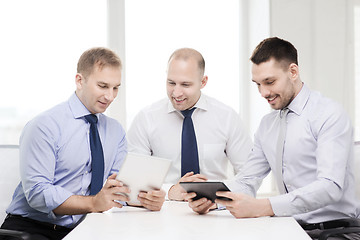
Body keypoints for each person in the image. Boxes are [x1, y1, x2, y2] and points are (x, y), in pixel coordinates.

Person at [185, 37, 360, 239]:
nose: (263, 92)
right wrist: (212, 199)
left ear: (293, 72)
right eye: (258, 84)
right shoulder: (268, 125)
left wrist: (265, 206)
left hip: (337, 231)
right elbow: (248, 180)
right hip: (289, 228)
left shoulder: (329, 114)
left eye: (270, 82)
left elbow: (330, 187)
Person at [0, 47, 165, 240]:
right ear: (80, 80)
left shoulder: (115, 131)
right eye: (103, 86)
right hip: (32, 229)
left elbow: (118, 188)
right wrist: (94, 203)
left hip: (85, 228)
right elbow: (37, 194)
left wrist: (145, 199)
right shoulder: (45, 125)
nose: (110, 96)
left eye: (115, 87)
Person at [127, 48, 252, 201]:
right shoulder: (146, 119)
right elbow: (134, 182)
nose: (176, 93)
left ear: (203, 82)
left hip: (216, 213)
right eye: (171, 83)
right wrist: (170, 191)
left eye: (185, 85)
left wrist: (218, 199)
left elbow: (249, 177)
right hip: (162, 215)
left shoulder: (227, 118)